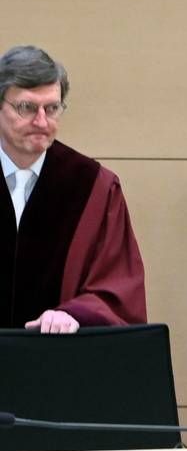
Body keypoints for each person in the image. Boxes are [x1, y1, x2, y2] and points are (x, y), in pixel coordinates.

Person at [0, 45, 146, 333]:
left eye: (52, 108)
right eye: (27, 107)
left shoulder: (93, 186)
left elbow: (117, 289)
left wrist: (76, 313)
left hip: (56, 362)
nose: (41, 121)